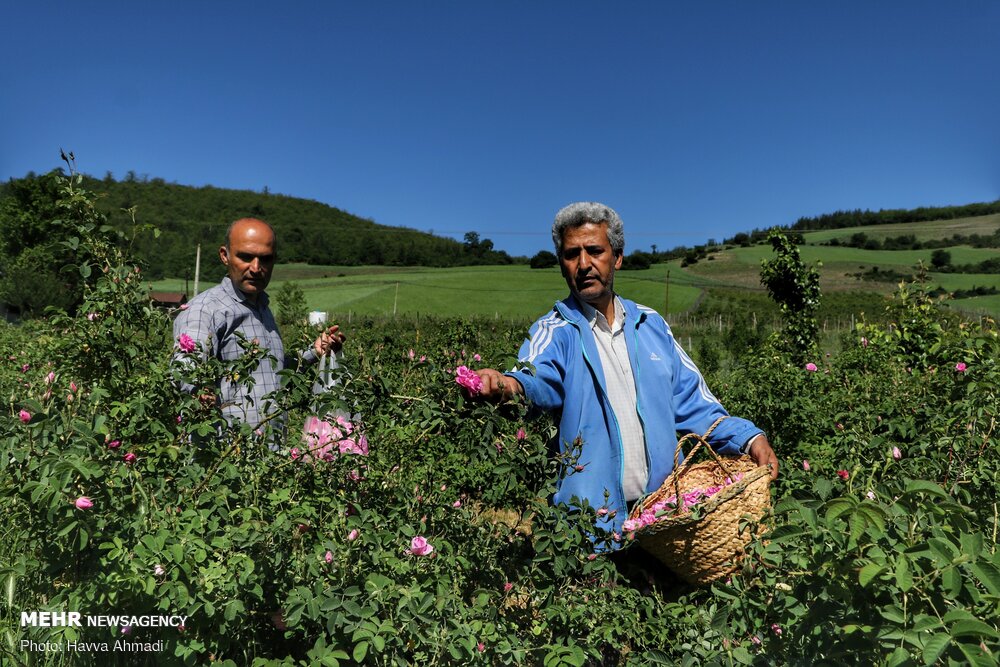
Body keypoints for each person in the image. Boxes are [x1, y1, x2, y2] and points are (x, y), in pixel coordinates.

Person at [475, 202, 778, 547]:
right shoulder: (554, 331)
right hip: (590, 534)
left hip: (666, 523)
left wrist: (749, 438)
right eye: (572, 254)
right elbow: (536, 377)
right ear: (561, 264)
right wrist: (507, 385)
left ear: (617, 257)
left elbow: (696, 403)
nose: (584, 264)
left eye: (595, 251)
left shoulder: (651, 326)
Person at [173, 217, 345, 431]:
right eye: (245, 257)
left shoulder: (263, 309)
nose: (256, 268)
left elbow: (271, 372)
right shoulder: (205, 310)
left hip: (266, 453)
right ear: (224, 256)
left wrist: (314, 352)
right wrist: (199, 391)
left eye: (265, 259)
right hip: (225, 453)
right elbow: (186, 371)